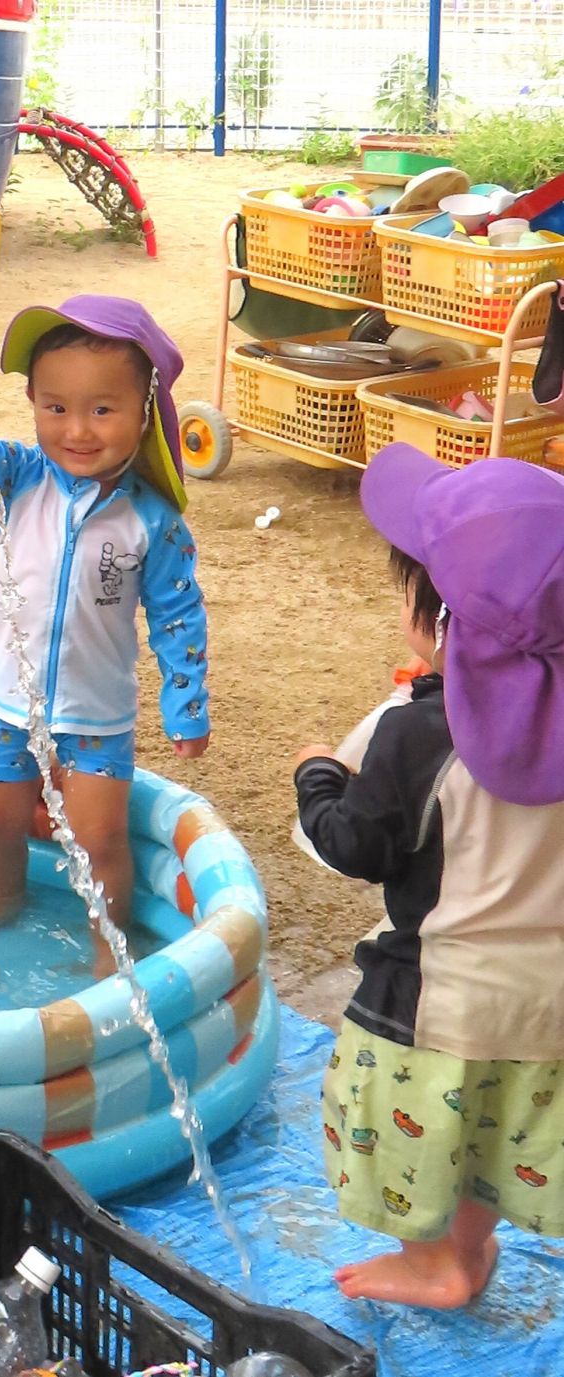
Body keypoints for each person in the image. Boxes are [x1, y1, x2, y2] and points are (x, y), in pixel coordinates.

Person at [293, 443, 564, 1309]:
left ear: (439, 623)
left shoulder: (416, 740)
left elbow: (354, 845)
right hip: (547, 1001)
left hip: (441, 994)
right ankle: (470, 1250)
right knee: (497, 1123)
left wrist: (316, 774)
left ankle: (429, 1260)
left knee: (420, 1131)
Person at [0, 295, 210, 972]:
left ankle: (111, 943)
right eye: (55, 407)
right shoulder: (17, 480)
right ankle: (5, 899)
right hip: (3, 703)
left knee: (102, 837)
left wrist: (185, 699)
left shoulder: (151, 521)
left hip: (97, 716)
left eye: (102, 409)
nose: (76, 429)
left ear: (145, 411)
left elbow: (177, 614)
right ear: (32, 403)